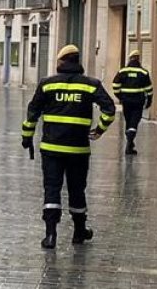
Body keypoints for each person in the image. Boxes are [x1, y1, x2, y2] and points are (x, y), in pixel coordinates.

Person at [21, 44, 116, 249]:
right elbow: (109, 110)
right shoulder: (91, 85)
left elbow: (32, 113)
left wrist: (26, 137)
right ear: (77, 61)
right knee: (77, 189)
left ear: (61, 62)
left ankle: (51, 235)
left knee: (52, 188)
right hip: (78, 150)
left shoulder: (47, 84)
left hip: (51, 149)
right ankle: (79, 232)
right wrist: (99, 130)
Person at [112, 50, 154, 155]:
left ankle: (130, 143)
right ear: (138, 59)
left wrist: (120, 96)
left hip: (126, 102)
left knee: (128, 120)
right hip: (138, 102)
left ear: (130, 58)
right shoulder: (143, 72)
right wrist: (149, 100)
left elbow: (115, 85)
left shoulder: (123, 71)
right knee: (134, 121)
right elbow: (149, 88)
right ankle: (130, 142)